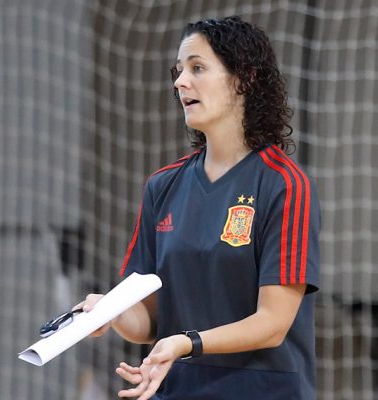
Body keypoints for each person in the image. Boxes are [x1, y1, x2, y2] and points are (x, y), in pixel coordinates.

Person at [81, 16, 321, 399]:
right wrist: (110, 313)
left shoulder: (284, 184)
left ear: (244, 78)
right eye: (179, 71)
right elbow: (151, 319)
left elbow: (272, 323)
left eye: (197, 68)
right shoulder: (163, 185)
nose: (180, 82)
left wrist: (185, 342)